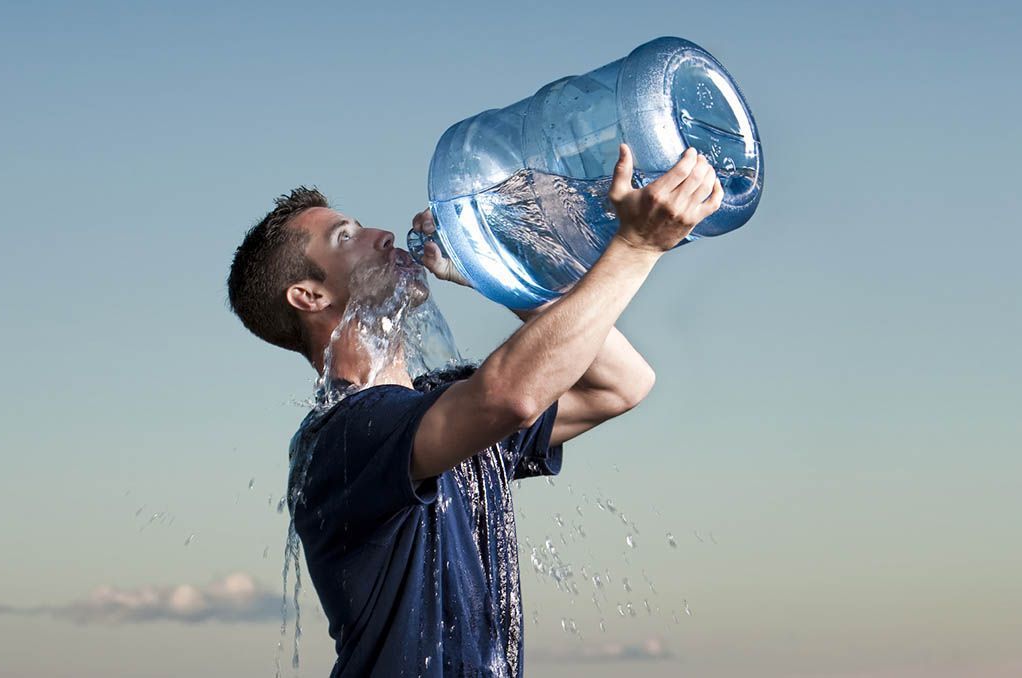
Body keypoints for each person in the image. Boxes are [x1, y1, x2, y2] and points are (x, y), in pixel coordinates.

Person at [226, 144, 723, 677]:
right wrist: (635, 247)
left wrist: (498, 271)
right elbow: (509, 396)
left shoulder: (444, 408)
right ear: (309, 296)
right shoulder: (343, 435)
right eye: (345, 237)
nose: (383, 235)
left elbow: (619, 385)